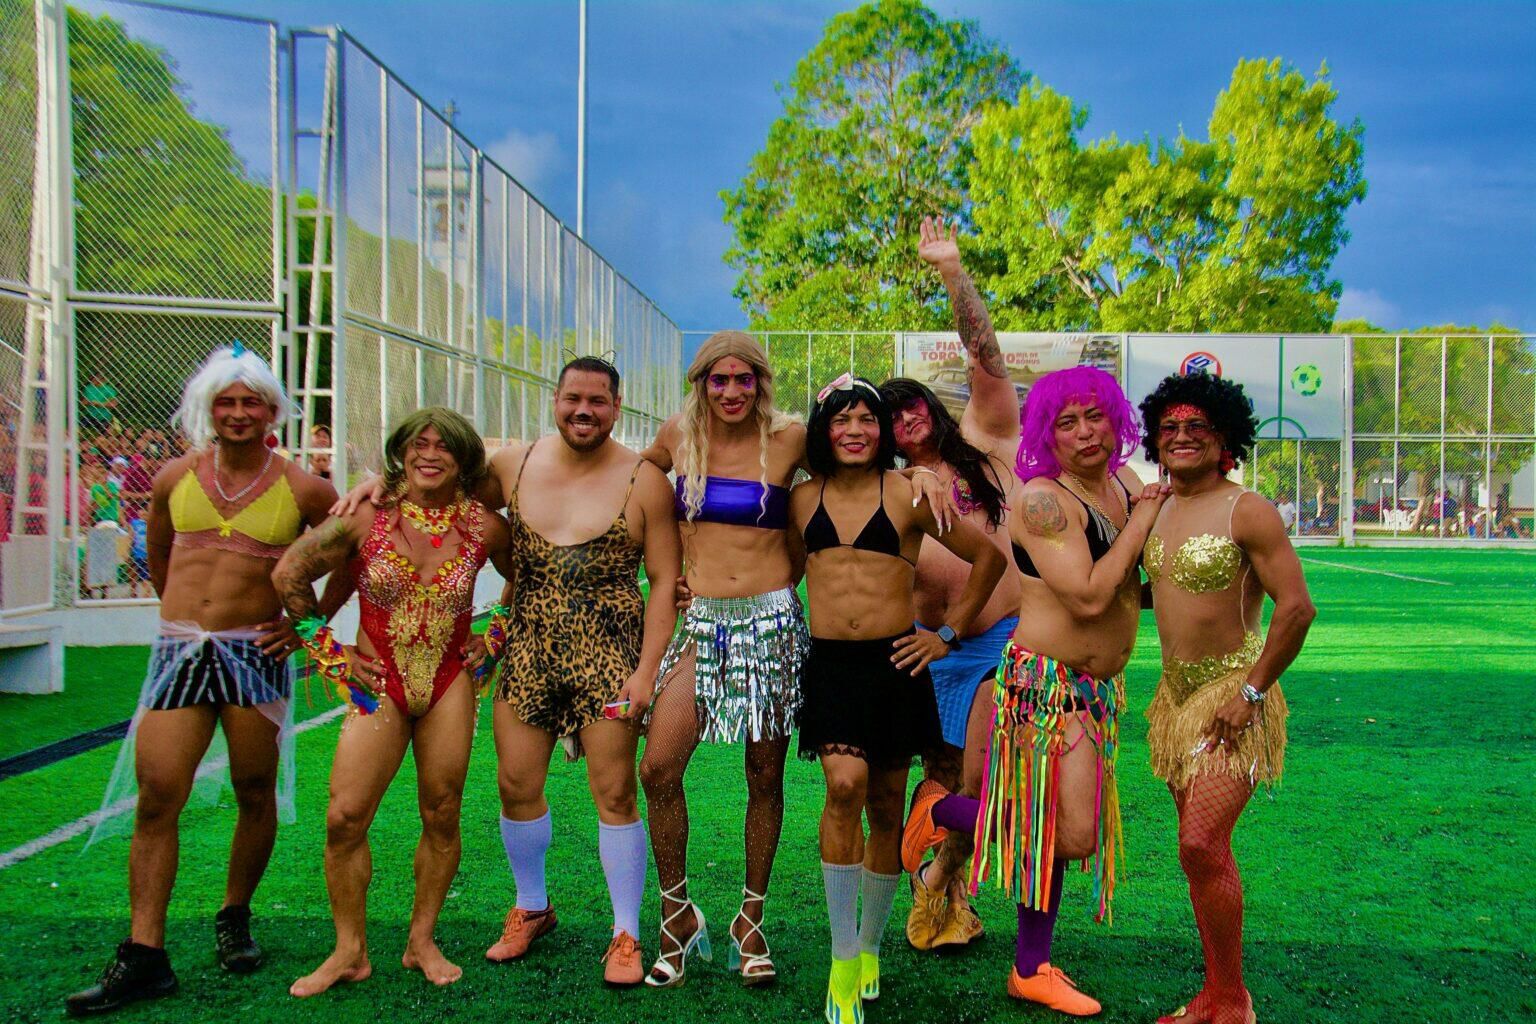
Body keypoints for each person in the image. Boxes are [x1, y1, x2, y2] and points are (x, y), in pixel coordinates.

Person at [338, 355, 683, 986]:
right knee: (516, 785)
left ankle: (626, 932)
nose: (584, 411)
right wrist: (375, 485)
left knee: (614, 792)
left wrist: (646, 671)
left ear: (616, 406)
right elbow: (432, 486)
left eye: (598, 401)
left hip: (610, 653)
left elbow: (663, 581)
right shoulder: (512, 465)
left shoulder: (644, 481)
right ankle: (532, 907)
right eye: (573, 398)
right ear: (555, 400)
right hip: (526, 650)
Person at [66, 346, 347, 1017]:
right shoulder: (174, 477)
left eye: (252, 402)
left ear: (273, 411)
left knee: (254, 789)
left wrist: (307, 626)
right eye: (227, 401)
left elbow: (351, 552)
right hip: (180, 654)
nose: (239, 413)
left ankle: (234, 916)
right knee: (158, 795)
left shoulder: (304, 489)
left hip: (254, 656)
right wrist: (182, 617)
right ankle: (144, 953)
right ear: (207, 408)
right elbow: (160, 553)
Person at [902, 365, 1167, 1016]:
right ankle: (942, 816)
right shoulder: (1042, 500)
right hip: (1042, 688)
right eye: (1066, 422)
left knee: (1066, 835)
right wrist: (1145, 521)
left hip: (1096, 692)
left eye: (1095, 416)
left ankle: (1028, 964)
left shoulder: (1125, 487)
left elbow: (1140, 587)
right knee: (1057, 832)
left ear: (1117, 420)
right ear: (1046, 433)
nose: (1084, 432)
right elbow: (1089, 594)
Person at [273, 408, 514, 996]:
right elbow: (288, 573)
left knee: (442, 812)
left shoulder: (485, 527)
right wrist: (329, 653)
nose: (429, 455)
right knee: (345, 816)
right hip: (375, 682)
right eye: (418, 444)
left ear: (463, 459)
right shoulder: (366, 515)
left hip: (449, 682)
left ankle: (421, 941)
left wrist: (495, 634)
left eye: (443, 446)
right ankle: (349, 950)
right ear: (400, 452)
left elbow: (527, 579)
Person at [792, 374, 1005, 1024]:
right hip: (831, 665)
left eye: (867, 419)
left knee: (887, 809)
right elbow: (773, 566)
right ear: (824, 429)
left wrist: (948, 635)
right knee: (844, 787)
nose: (855, 430)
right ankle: (841, 961)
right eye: (841, 419)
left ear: (882, 431)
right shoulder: (801, 499)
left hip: (895, 663)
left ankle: (871, 948)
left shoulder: (909, 493)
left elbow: (989, 559)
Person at [1137, 372, 1315, 1024]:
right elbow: (1156, 592)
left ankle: (1233, 999)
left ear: (1224, 439)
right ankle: (1216, 993)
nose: (1181, 436)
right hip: (1174, 702)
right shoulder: (1155, 506)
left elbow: (1297, 609)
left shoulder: (1248, 509)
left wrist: (1250, 692)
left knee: (1198, 843)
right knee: (1201, 856)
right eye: (1170, 428)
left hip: (1232, 699)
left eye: (1197, 427)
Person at [636, 330, 812, 987]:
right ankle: (677, 914)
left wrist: (923, 475)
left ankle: (750, 921)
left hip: (772, 626)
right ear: (701, 383)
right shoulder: (676, 435)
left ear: (760, 382)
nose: (732, 391)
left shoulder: (790, 437)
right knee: (658, 767)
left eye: (744, 379)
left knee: (764, 775)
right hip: (701, 622)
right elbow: (629, 481)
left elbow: (861, 464)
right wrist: (671, 565)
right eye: (720, 379)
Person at [882, 215, 1023, 952]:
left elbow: (985, 354)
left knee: (982, 777)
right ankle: (945, 887)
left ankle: (937, 873)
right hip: (918, 648)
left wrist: (951, 271)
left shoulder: (985, 441)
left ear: (935, 408)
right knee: (939, 774)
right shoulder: (882, 484)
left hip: (992, 639)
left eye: (913, 402)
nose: (905, 416)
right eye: (889, 412)